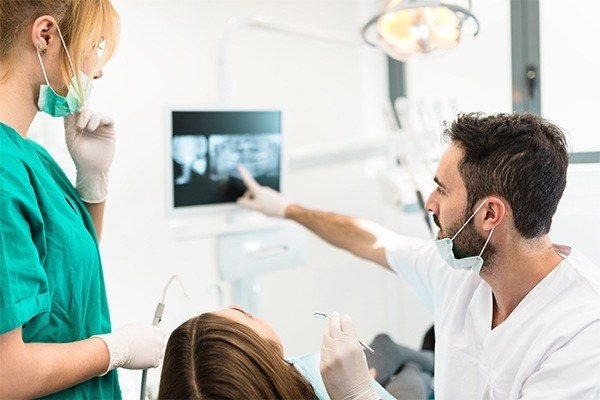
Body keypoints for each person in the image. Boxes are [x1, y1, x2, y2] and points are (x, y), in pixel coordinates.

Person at [237, 112, 600, 399]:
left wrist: (360, 395)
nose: (430, 204)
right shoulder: (464, 272)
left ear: (490, 214)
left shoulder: (580, 333)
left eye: (442, 190)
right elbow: (371, 240)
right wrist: (285, 208)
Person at [0, 1, 165, 398]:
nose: (99, 68)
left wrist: (93, 183)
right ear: (45, 36)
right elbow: (7, 376)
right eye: (95, 46)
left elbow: (67, 275)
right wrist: (115, 349)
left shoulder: (29, 155)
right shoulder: (4, 173)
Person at [157, 306, 394, 400]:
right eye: (246, 315)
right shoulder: (313, 370)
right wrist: (360, 394)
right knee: (408, 373)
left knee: (390, 354)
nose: (234, 307)